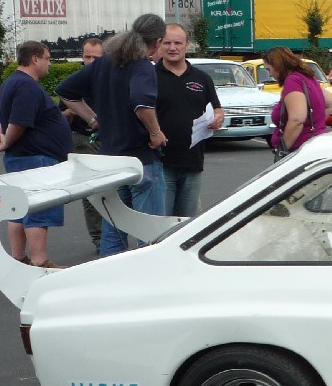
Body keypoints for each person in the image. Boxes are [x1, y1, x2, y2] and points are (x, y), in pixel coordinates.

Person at [56, 13, 168, 257]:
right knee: (148, 230)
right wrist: (155, 132)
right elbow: (141, 103)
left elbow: (65, 91)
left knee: (114, 227)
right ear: (157, 42)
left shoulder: (105, 63)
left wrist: (92, 119)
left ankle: (109, 272)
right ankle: (148, 275)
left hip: (110, 159)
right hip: (141, 160)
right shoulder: (142, 66)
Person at [0, 41, 71, 267]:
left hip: (22, 158)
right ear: (35, 59)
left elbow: (1, 119)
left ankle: (19, 258)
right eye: (47, 58)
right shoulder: (27, 86)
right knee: (38, 209)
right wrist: (6, 142)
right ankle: (39, 261)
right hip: (36, 159)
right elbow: (19, 122)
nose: (49, 64)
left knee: (19, 208)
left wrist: (2, 138)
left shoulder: (12, 82)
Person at [156, 23, 223, 217]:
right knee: (162, 222)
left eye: (178, 43)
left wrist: (218, 118)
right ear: (159, 45)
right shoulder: (150, 77)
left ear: (187, 45)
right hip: (160, 163)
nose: (172, 48)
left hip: (193, 161)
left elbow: (217, 109)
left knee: (187, 222)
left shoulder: (202, 78)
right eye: (167, 43)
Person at [62, 37, 105, 250]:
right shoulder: (76, 81)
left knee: (114, 190)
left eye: (95, 57)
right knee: (91, 194)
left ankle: (114, 236)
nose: (90, 61)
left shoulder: (111, 80)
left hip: (109, 141)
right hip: (83, 139)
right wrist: (72, 111)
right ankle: (99, 239)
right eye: (87, 57)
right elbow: (61, 116)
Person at [266, 46, 327, 154]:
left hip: (299, 150)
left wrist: (282, 150)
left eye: (269, 69)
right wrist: (313, 124)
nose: (270, 74)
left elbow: (297, 120)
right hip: (315, 144)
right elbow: (330, 102)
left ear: (277, 65)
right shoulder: (307, 77)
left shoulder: (292, 81)